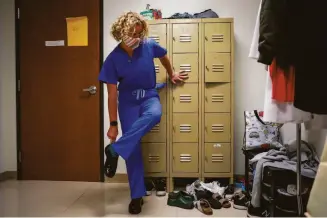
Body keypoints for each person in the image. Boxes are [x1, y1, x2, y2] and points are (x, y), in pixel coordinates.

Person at [98, 12, 188, 214]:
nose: (137, 38)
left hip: (149, 95)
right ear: (121, 34)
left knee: (155, 114)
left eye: (139, 33)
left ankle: (114, 150)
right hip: (128, 101)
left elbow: (163, 55)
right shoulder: (113, 59)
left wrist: (171, 72)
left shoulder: (148, 45)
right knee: (133, 149)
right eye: (132, 34)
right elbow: (112, 94)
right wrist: (113, 125)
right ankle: (136, 196)